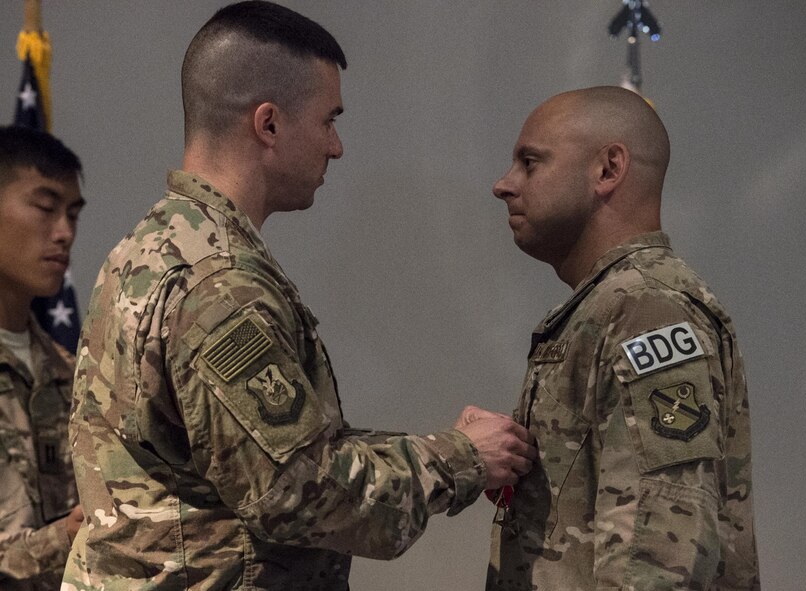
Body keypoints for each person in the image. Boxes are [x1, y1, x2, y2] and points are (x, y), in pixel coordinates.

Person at [63, 2, 536, 590]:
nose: (336, 146)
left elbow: (246, 452)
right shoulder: (220, 285)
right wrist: (460, 458)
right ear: (268, 124)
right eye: (328, 119)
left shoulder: (152, 244)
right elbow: (298, 492)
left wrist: (436, 444)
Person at [486, 86, 760, 590]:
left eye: (530, 162)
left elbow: (658, 555)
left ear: (608, 170)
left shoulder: (648, 309)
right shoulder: (608, 305)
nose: (503, 185)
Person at [0, 125, 85, 590]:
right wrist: (65, 539)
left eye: (73, 214)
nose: (64, 233)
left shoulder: (70, 373)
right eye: (46, 208)